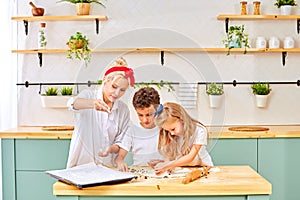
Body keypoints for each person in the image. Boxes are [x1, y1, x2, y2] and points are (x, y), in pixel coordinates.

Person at [66, 57, 135, 168]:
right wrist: (93, 104)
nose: (117, 93)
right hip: (81, 166)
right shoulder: (88, 96)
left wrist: (111, 149)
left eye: (122, 90)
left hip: (107, 167)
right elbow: (72, 104)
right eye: (114, 87)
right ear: (105, 80)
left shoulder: (123, 109)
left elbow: (121, 141)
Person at [152, 102, 213, 174]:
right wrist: (165, 163)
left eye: (173, 129)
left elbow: (190, 157)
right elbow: (172, 157)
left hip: (204, 169)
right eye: (168, 130)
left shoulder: (200, 130)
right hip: (183, 170)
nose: (171, 133)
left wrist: (168, 165)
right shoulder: (171, 135)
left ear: (181, 119)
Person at [114, 87, 164, 172]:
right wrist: (120, 162)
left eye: (149, 115)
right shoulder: (132, 130)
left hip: (163, 172)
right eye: (140, 115)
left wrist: (166, 163)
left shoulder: (166, 128)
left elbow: (177, 157)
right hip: (140, 173)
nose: (144, 120)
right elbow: (119, 157)